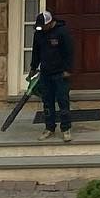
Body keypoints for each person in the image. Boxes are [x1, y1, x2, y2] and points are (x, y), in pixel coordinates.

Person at [30, 8, 75, 142]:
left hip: (60, 73)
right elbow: (36, 52)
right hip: (45, 73)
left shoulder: (62, 32)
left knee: (63, 101)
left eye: (43, 26)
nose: (41, 29)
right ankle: (49, 127)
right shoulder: (39, 34)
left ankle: (66, 128)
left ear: (50, 23)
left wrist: (68, 70)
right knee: (47, 103)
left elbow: (69, 51)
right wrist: (33, 67)